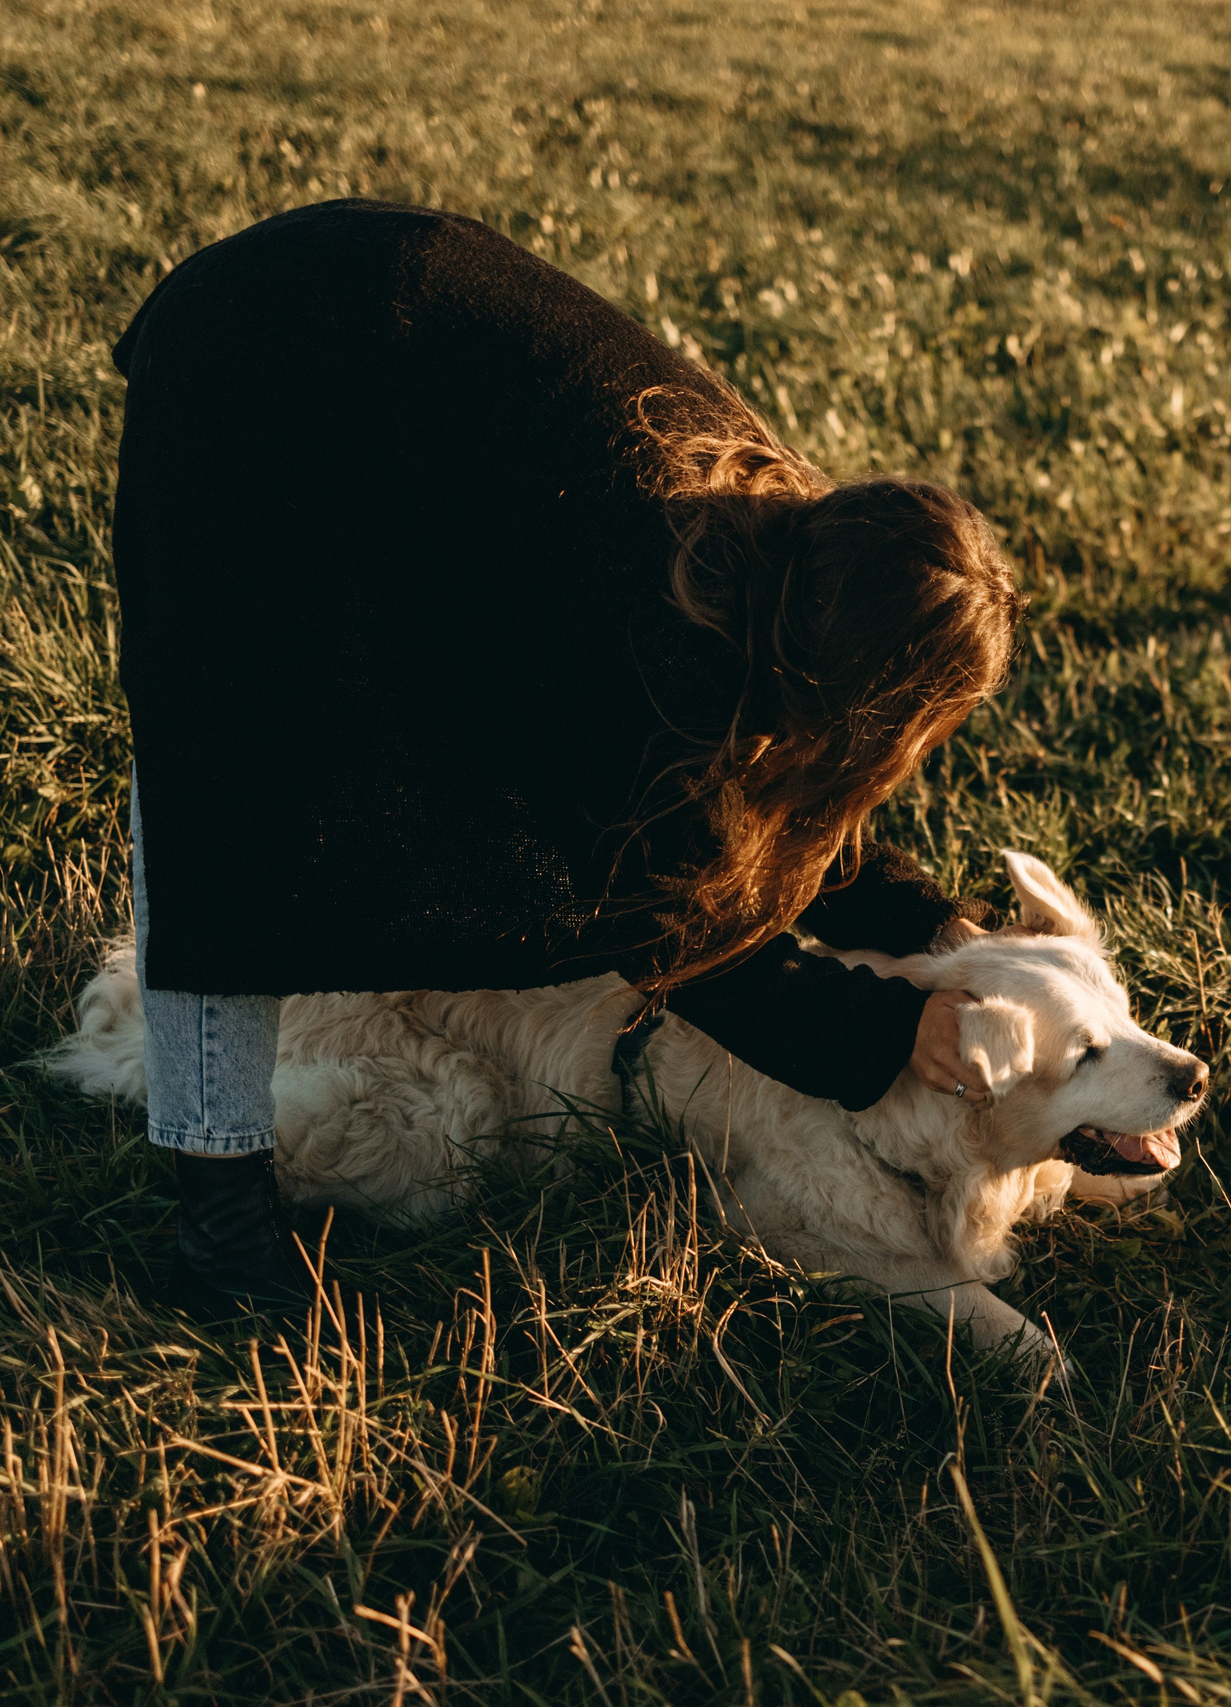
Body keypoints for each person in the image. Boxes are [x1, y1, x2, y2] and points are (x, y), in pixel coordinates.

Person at [111, 200, 1022, 1306]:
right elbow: (677, 935)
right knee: (229, 776)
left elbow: (754, 836)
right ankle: (221, 1228)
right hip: (258, 366)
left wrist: (935, 929)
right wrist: (890, 1027)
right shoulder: (649, 637)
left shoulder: (784, 555)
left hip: (382, 315)